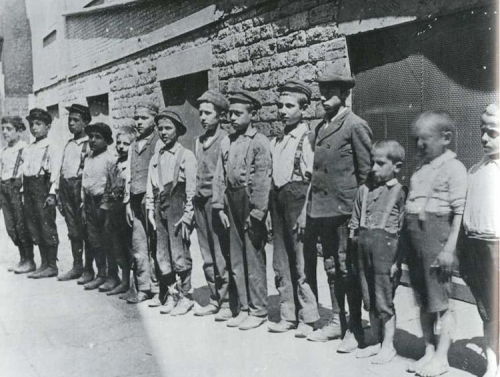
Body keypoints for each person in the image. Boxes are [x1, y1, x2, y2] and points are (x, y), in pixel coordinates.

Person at [303, 63, 372, 352]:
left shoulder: (354, 125)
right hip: (322, 211)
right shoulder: (321, 128)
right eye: (321, 92)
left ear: (344, 93)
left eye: (329, 92)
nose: (322, 98)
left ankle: (355, 329)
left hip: (346, 211)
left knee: (347, 269)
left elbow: (367, 175)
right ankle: (337, 321)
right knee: (331, 267)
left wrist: (362, 215)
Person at [405, 111, 467, 377]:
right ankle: (428, 349)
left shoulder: (454, 168)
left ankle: (442, 357)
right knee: (423, 300)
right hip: (415, 239)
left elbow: (459, 213)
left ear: (446, 138)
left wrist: (449, 248)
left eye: (425, 139)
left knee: (441, 301)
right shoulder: (421, 168)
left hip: (437, 239)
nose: (419, 145)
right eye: (416, 139)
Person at [212, 90, 272, 330]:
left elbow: (262, 178)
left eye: (238, 114)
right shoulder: (227, 141)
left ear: (252, 114)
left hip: (250, 203)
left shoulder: (259, 142)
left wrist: (258, 211)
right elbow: (220, 175)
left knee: (253, 256)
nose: (232, 119)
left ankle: (259, 310)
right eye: (230, 114)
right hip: (231, 201)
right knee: (236, 257)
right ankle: (244, 307)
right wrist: (219, 206)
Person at [267, 80, 320, 337]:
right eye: (280, 105)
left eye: (289, 106)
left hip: (298, 202)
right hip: (278, 203)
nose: (283, 111)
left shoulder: (308, 138)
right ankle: (287, 313)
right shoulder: (277, 140)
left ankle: (308, 317)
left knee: (301, 262)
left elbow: (313, 181)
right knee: (280, 261)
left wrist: (304, 213)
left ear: (305, 108)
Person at [349, 140, 406, 364]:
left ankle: (388, 344)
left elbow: (403, 231)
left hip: (386, 255)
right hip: (363, 253)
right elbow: (354, 224)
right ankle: (375, 339)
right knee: (369, 299)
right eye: (373, 162)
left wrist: (397, 262)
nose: (373, 168)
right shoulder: (363, 190)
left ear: (397, 167)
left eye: (380, 163)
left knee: (384, 301)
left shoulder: (399, 192)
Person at [460, 104, 499, 377]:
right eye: (482, 132)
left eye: (493, 133)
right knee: (488, 311)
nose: (485, 138)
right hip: (476, 248)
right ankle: (492, 363)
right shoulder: (474, 170)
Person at [145, 110, 197, 316]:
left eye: (168, 128)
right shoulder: (156, 156)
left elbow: (191, 188)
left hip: (177, 207)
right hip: (160, 207)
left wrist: (188, 215)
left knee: (179, 253)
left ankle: (186, 296)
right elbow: (151, 185)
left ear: (177, 131)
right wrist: (150, 208)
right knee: (162, 254)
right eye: (161, 128)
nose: (164, 132)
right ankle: (172, 294)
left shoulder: (186, 155)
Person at [192, 90, 234, 320]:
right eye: (201, 113)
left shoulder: (225, 139)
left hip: (215, 203)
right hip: (199, 203)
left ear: (220, 116)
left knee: (220, 254)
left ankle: (228, 301)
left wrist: (221, 206)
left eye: (208, 113)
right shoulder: (197, 141)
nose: (203, 117)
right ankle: (214, 297)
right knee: (206, 255)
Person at [125, 102, 160, 303]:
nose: (138, 122)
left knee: (155, 244)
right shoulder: (133, 146)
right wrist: (128, 202)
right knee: (139, 246)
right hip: (136, 198)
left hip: (151, 200)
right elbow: (129, 175)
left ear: (154, 119)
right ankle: (143, 287)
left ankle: (157, 288)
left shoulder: (157, 143)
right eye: (136, 118)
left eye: (143, 118)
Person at [23, 108, 61, 279]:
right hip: (30, 189)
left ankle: (52, 265)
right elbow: (26, 170)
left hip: (43, 189)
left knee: (47, 225)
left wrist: (52, 193)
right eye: (32, 124)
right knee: (34, 226)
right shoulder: (29, 148)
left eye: (38, 124)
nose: (34, 128)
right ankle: (43, 263)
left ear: (48, 126)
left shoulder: (51, 147)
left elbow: (55, 173)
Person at [57, 104, 92, 282]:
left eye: (76, 120)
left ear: (86, 122)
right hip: (66, 189)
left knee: (86, 229)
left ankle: (89, 269)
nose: (71, 123)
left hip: (81, 190)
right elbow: (62, 169)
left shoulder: (89, 144)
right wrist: (58, 193)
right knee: (73, 229)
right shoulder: (69, 144)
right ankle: (77, 265)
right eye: (69, 120)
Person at [81, 122, 117, 291]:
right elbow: (85, 182)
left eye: (98, 137)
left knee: (108, 239)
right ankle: (100, 274)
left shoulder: (110, 158)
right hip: (89, 202)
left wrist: (107, 205)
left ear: (107, 140)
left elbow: (112, 184)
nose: (93, 140)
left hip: (104, 202)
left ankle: (112, 276)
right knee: (94, 239)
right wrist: (84, 203)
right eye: (91, 137)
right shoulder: (88, 157)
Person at [101, 125, 135, 296]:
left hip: (126, 210)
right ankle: (124, 281)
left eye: (126, 144)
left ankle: (135, 285)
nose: (121, 147)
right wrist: (106, 210)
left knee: (130, 247)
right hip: (114, 210)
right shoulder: (113, 163)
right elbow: (108, 187)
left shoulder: (133, 165)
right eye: (119, 143)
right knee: (117, 247)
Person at [0, 116, 34, 273]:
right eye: (3, 129)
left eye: (9, 129)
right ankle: (22, 259)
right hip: (4, 190)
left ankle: (29, 260)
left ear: (19, 130)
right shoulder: (4, 150)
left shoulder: (24, 148)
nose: (5, 132)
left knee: (21, 226)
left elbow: (27, 171)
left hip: (17, 190)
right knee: (10, 227)